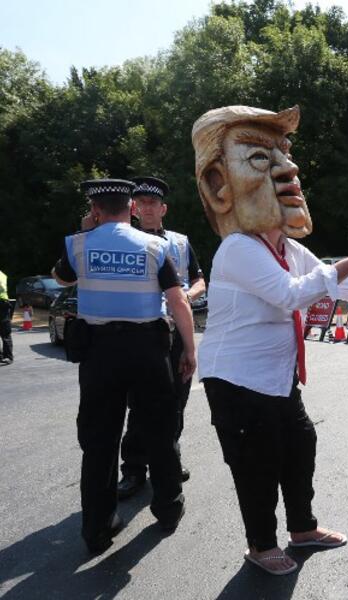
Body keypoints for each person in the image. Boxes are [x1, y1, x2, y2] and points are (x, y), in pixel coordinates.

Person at [192, 105, 348, 576]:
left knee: (300, 446)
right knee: (254, 464)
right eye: (260, 158)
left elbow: (327, 280)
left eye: (285, 155)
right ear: (219, 184)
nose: (287, 170)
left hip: (277, 377)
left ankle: (303, 528)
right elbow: (290, 295)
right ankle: (259, 545)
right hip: (236, 379)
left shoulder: (285, 245)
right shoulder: (237, 248)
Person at [51, 179, 194, 553]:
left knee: (99, 441)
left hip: (99, 354)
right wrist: (189, 350)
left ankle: (97, 528)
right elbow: (178, 302)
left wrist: (85, 230)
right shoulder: (156, 245)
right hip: (148, 349)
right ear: (131, 208)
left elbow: (61, 278)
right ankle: (168, 508)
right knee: (160, 431)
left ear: (95, 210)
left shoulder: (78, 244)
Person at [117, 176, 206, 499]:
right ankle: (134, 470)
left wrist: (186, 296)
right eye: (140, 203)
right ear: (133, 208)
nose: (147, 208)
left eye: (152, 203)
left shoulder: (180, 242)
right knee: (139, 405)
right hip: (142, 334)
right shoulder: (125, 240)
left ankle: (167, 461)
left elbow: (199, 279)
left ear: (163, 208)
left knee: (176, 402)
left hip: (176, 331)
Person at [0, 269, 13, 364]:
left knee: (5, 332)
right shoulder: (2, 274)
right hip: (3, 304)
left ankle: (8, 356)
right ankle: (5, 356)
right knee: (5, 332)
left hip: (2, 305)